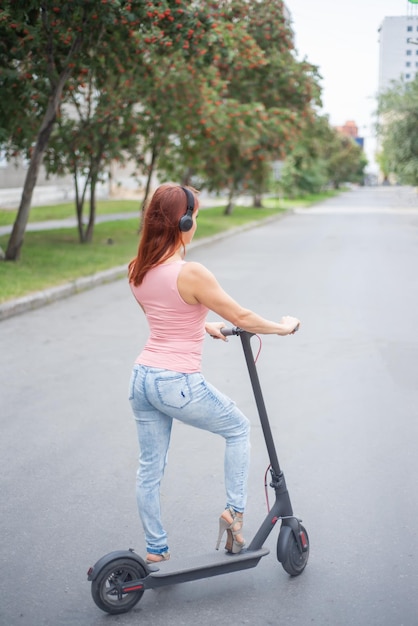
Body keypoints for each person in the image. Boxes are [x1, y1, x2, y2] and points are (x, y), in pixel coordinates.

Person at [128, 183, 300, 564]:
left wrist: (201, 325)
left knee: (149, 470)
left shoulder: (137, 268)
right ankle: (235, 514)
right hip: (177, 382)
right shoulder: (191, 272)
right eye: (196, 217)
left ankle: (155, 551)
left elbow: (163, 317)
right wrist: (282, 326)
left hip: (142, 379)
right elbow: (240, 317)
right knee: (238, 429)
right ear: (184, 221)